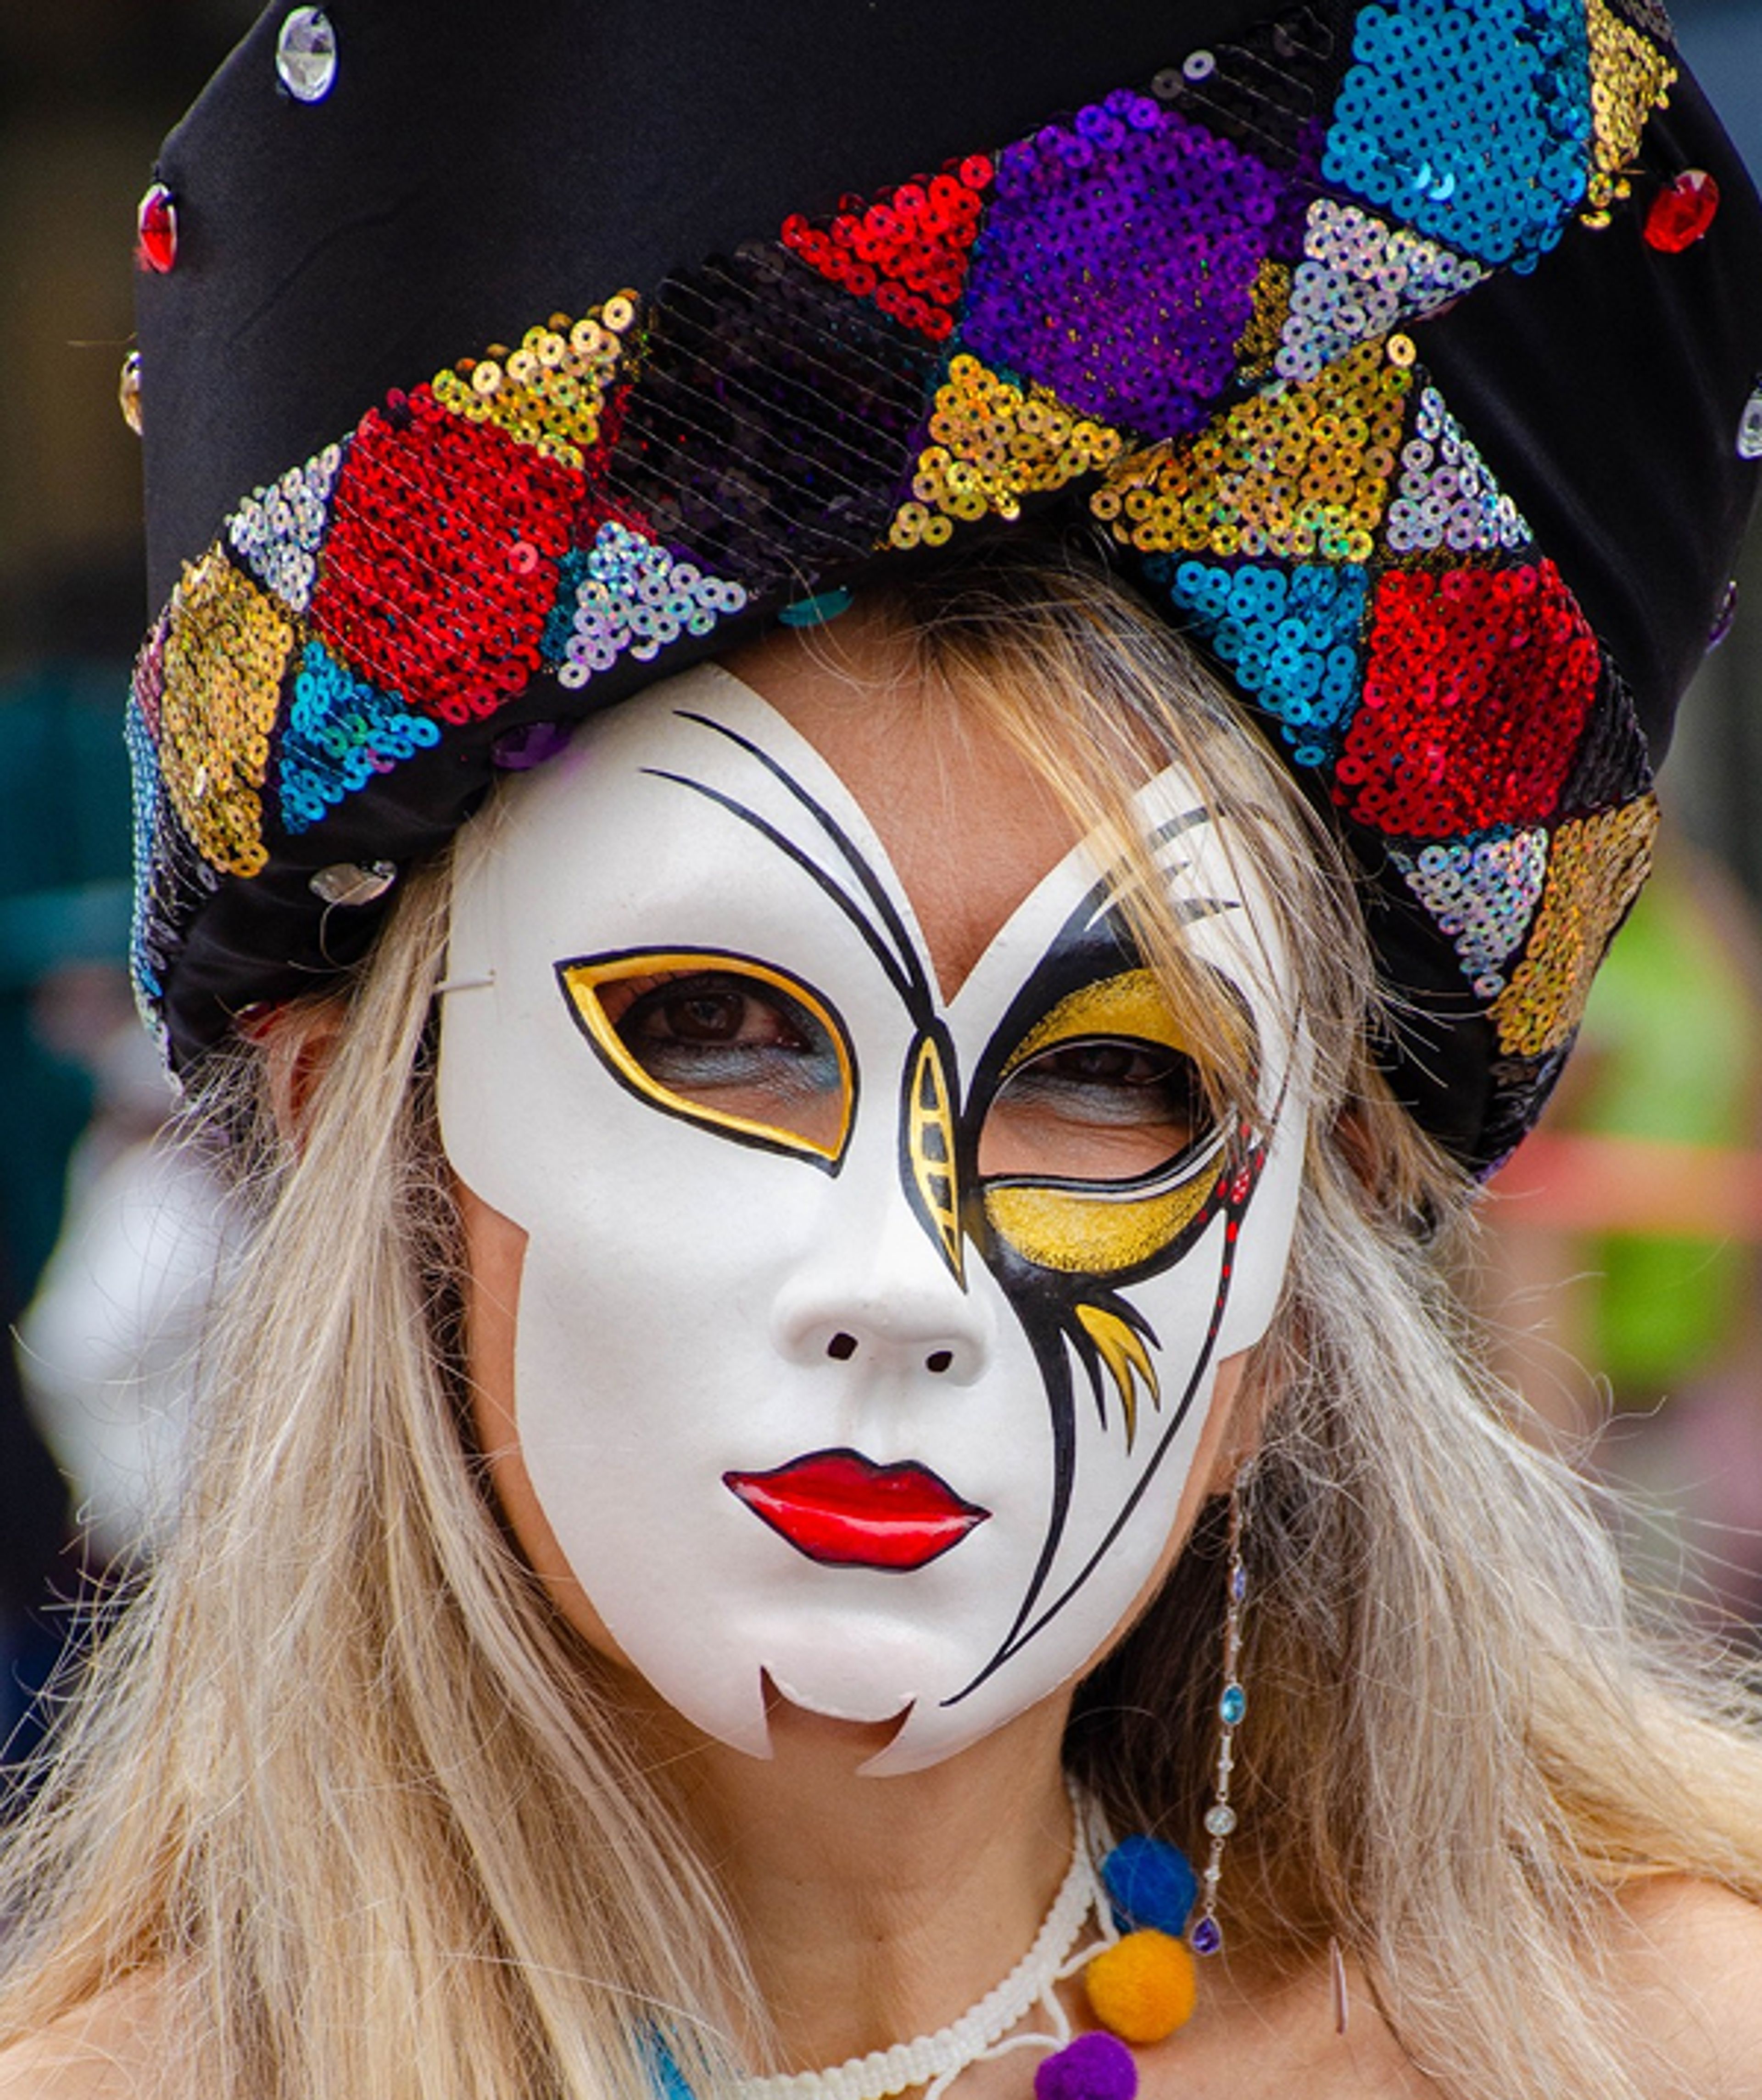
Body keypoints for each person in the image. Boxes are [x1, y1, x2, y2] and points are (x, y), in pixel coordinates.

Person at [4, 2, 1762, 2094]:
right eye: (719, 1028)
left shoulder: (1646, 2044)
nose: (902, 1292)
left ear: (1298, 1273)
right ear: (373, 1154)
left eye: (1122, 1074)